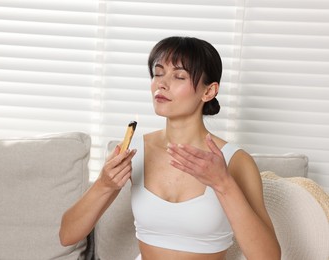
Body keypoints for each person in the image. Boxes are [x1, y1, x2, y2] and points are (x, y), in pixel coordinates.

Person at [59, 36, 281, 260]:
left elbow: (268, 257)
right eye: (158, 73)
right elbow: (67, 235)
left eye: (179, 76)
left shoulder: (235, 161)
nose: (161, 84)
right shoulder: (134, 150)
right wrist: (104, 185)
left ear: (209, 91)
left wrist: (223, 184)